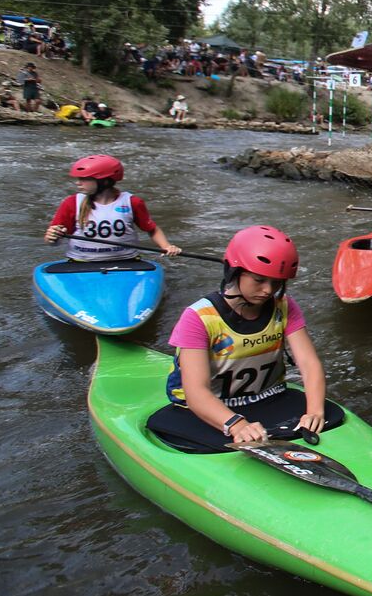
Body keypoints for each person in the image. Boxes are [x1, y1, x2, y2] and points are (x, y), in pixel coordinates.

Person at [149, 225, 335, 451]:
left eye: (276, 283)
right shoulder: (198, 317)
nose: (268, 290)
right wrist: (235, 424)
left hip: (269, 397)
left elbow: (309, 363)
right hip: (209, 408)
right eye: (259, 280)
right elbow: (196, 392)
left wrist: (315, 411)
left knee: (332, 415)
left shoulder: (284, 305)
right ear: (234, 272)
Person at [44, 155, 182, 260]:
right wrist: (52, 237)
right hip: (81, 262)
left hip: (126, 261)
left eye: (84, 179)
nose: (78, 183)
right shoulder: (71, 203)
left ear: (104, 181)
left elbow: (152, 229)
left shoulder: (132, 202)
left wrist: (166, 246)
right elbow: (53, 241)